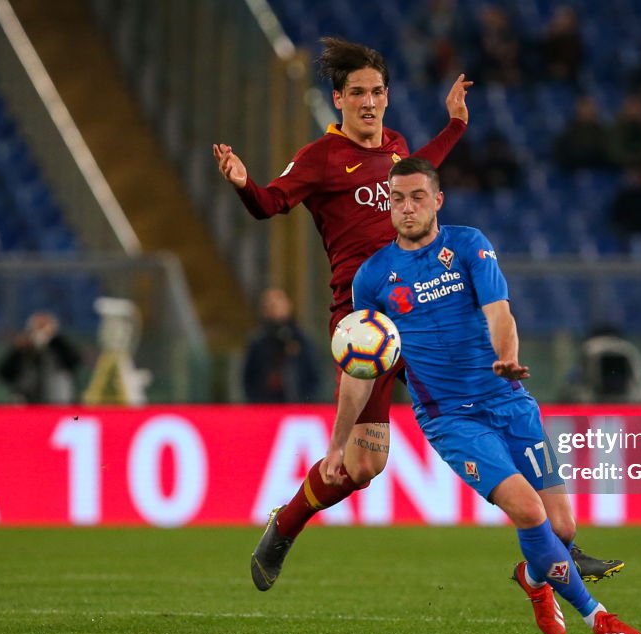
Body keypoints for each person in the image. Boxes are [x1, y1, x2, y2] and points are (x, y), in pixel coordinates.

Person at [214, 38, 615, 591]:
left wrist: (454, 127)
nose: (370, 102)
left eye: (378, 91)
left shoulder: (397, 147)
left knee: (492, 403)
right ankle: (284, 525)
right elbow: (271, 203)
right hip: (368, 323)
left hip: (424, 308)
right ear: (338, 99)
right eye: (358, 93)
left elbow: (420, 176)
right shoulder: (321, 158)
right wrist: (243, 185)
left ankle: (558, 542)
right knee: (363, 468)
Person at [323, 157, 641, 634]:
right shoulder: (373, 277)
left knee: (561, 528)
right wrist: (338, 443)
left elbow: (500, 312)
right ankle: (599, 618)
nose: (407, 208)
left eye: (418, 198)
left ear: (437, 201)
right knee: (529, 511)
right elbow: (360, 368)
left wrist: (508, 357)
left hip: (508, 402)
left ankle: (533, 577)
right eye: (398, 199)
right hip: (451, 418)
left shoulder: (469, 244)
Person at [242, 288, 320, 403]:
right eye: (269, 305)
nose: (274, 308)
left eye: (277, 303)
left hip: (297, 406)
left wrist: (306, 401)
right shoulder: (257, 342)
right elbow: (248, 378)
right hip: (264, 407)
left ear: (288, 305)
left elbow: (314, 375)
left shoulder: (301, 340)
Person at [0, 311, 83, 404]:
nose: (41, 333)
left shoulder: (58, 347)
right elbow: (3, 372)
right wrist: (18, 349)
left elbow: (74, 362)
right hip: (28, 402)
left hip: (58, 402)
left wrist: (54, 339)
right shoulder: (23, 350)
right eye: (38, 328)